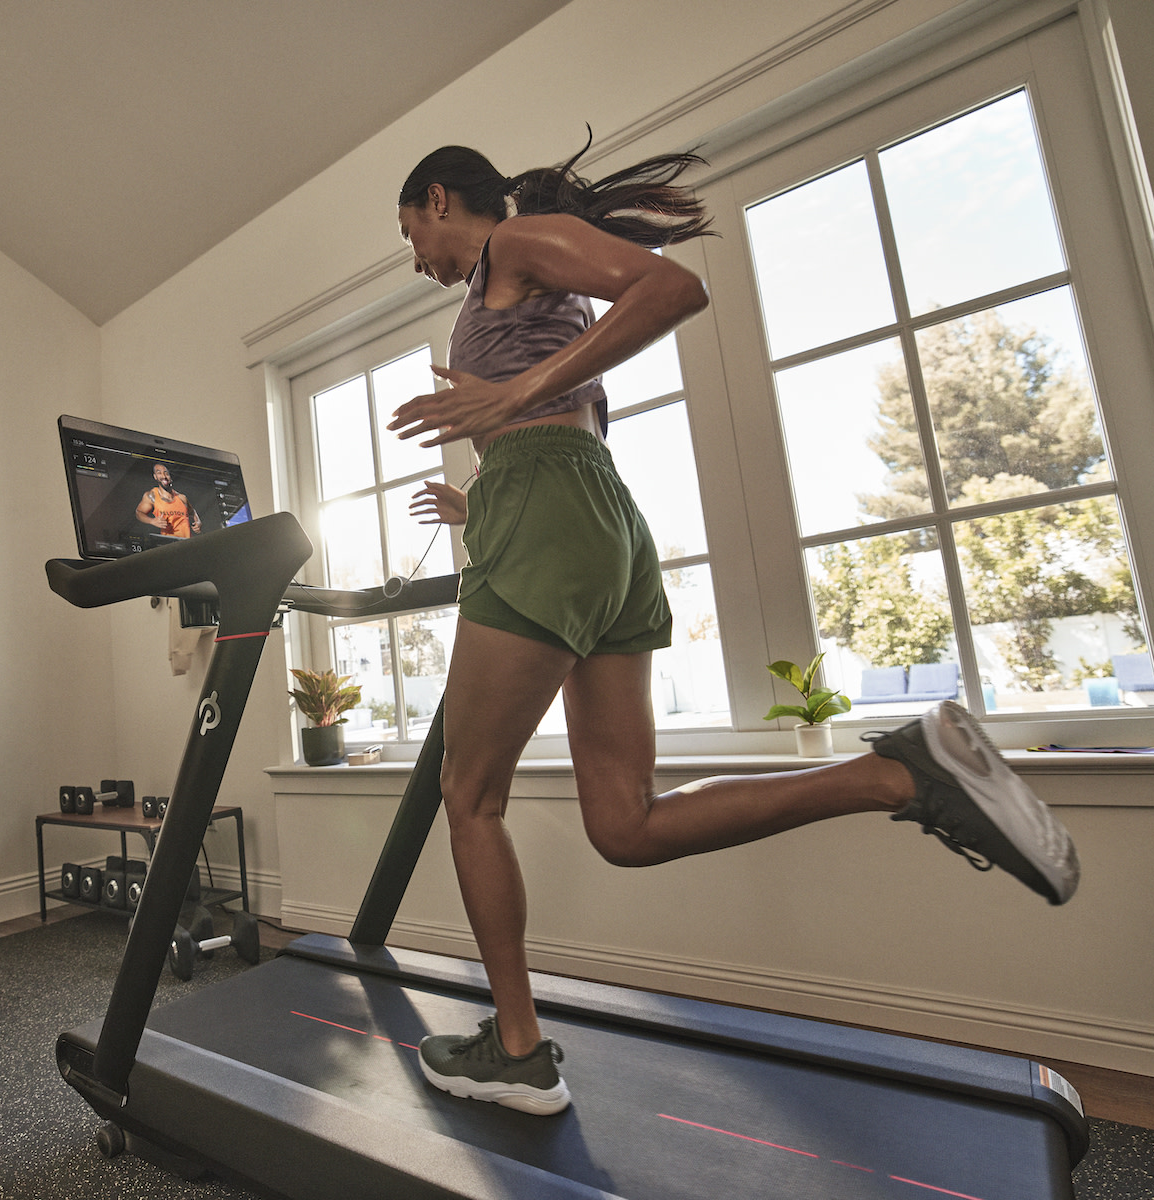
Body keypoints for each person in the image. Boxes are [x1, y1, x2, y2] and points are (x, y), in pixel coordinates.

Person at [387, 141, 1079, 1116]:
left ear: (438, 197)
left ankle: (517, 1049)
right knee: (625, 826)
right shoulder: (536, 288)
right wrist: (484, 493)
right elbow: (563, 442)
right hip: (600, 525)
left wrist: (506, 406)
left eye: (410, 228)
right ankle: (899, 771)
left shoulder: (516, 243)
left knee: (470, 798)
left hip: (550, 514)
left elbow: (670, 290)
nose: (416, 253)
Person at [135, 462, 200, 538]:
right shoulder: (152, 495)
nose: (163, 476)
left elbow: (192, 511)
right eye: (159, 473)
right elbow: (139, 513)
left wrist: (198, 521)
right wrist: (152, 521)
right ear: (155, 477)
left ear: (170, 477)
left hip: (187, 544)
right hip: (169, 545)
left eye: (166, 473)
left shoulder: (182, 497)